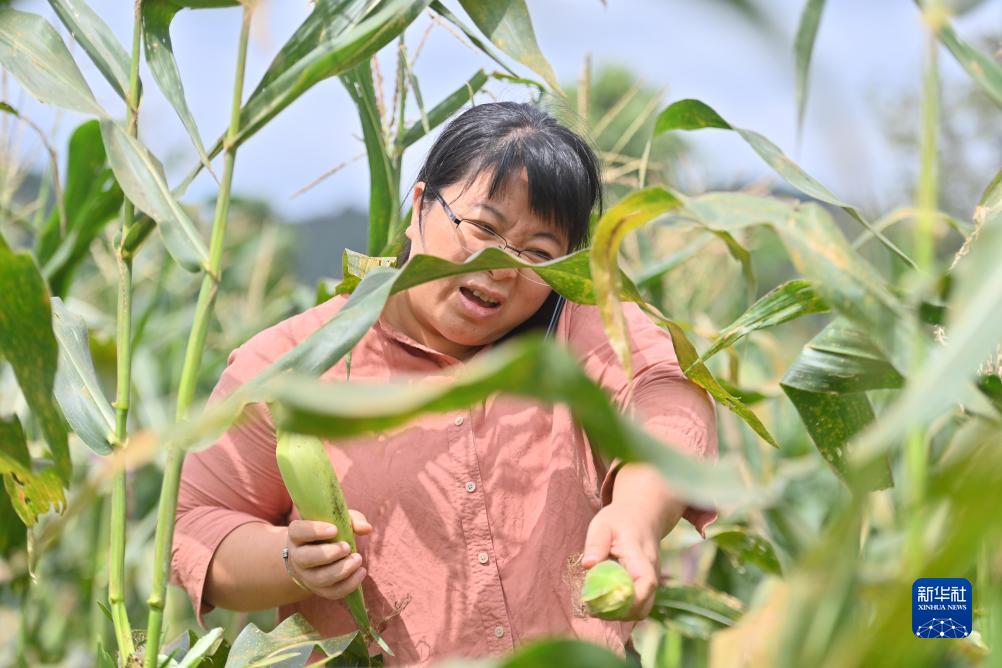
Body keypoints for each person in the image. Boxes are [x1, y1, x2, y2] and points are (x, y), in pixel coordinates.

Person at [170, 101, 718, 666]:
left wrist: (638, 513)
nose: (501, 267)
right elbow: (192, 526)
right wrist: (289, 560)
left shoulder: (575, 324)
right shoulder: (296, 361)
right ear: (418, 206)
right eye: (482, 228)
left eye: (539, 254)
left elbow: (667, 392)